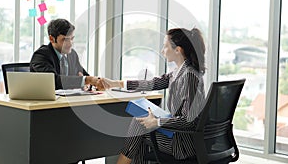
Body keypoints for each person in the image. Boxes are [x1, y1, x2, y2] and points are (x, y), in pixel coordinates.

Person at [102, 28, 207, 164]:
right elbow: (153, 83)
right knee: (140, 129)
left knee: (139, 125)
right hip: (181, 137)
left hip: (184, 144)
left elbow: (190, 121)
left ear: (178, 50)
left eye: (165, 46)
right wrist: (115, 83)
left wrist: (156, 122)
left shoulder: (189, 77)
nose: (162, 50)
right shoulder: (180, 72)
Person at [30, 18, 103, 90]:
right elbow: (53, 81)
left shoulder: (72, 54)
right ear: (52, 39)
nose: (70, 44)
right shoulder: (41, 56)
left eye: (72, 39)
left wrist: (91, 83)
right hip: (47, 101)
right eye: (65, 40)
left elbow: (85, 76)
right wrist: (85, 80)